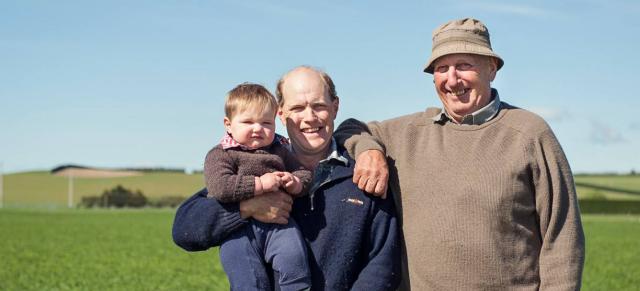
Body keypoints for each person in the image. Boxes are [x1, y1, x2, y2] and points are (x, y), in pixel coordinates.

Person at [336, 18, 585, 290]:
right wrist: (369, 150)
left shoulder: (529, 134)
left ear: (491, 69)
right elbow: (349, 129)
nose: (452, 79)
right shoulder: (406, 134)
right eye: (442, 68)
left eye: (464, 66)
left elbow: (562, 237)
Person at [173, 66, 401, 291]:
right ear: (281, 114)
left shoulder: (365, 172)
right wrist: (246, 209)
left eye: (319, 106)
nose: (309, 117)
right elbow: (185, 229)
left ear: (335, 107)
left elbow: (382, 265)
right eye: (298, 108)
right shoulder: (258, 163)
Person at [203, 83, 313, 290]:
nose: (258, 129)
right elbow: (219, 186)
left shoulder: (280, 151)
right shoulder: (221, 154)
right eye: (247, 122)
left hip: (281, 224)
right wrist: (259, 184)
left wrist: (296, 182)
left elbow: (304, 173)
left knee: (295, 264)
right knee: (247, 279)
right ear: (228, 124)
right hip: (238, 230)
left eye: (266, 123)